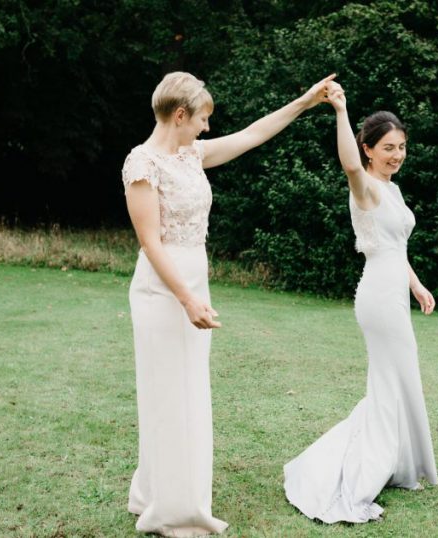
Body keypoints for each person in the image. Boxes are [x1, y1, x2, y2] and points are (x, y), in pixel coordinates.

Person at [121, 71, 335, 537]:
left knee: (189, 392)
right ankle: (174, 511)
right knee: (169, 396)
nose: (207, 129)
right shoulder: (142, 164)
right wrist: (187, 299)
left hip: (195, 281)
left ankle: (156, 492)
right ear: (180, 115)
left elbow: (254, 134)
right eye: (202, 119)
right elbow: (151, 243)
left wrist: (303, 102)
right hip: (165, 290)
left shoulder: (191, 155)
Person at [283, 82, 438, 523]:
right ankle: (362, 476)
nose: (397, 154)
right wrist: (340, 110)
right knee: (391, 381)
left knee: (397, 378)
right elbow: (348, 165)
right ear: (368, 150)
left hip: (395, 290)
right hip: (377, 298)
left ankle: (394, 461)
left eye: (402, 147)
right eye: (388, 148)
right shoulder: (367, 187)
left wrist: (417, 285)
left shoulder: (393, 189)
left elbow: (396, 247)